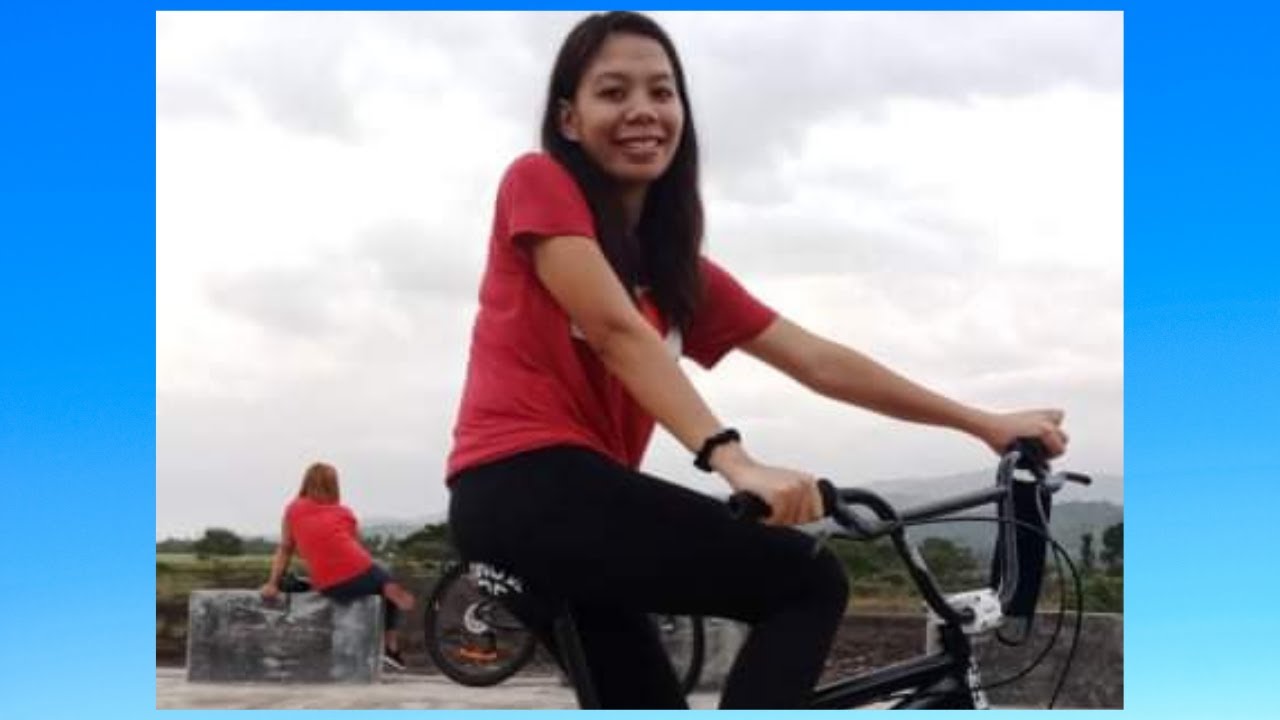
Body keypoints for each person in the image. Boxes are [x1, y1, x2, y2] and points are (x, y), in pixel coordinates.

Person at [445, 11, 1068, 709]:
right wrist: (732, 460)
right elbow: (614, 329)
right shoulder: (537, 181)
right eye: (613, 93)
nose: (643, 111)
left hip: (566, 506)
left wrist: (979, 420)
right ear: (568, 117)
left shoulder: (680, 275)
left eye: (662, 91)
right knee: (807, 582)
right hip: (524, 483)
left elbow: (817, 360)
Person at [260, 462, 416, 670]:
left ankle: (307, 585)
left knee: (373, 580)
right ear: (334, 485)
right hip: (358, 572)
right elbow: (354, 549)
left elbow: (285, 549)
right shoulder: (344, 513)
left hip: (327, 585)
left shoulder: (292, 509)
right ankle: (390, 648)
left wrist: (272, 583)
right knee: (392, 588)